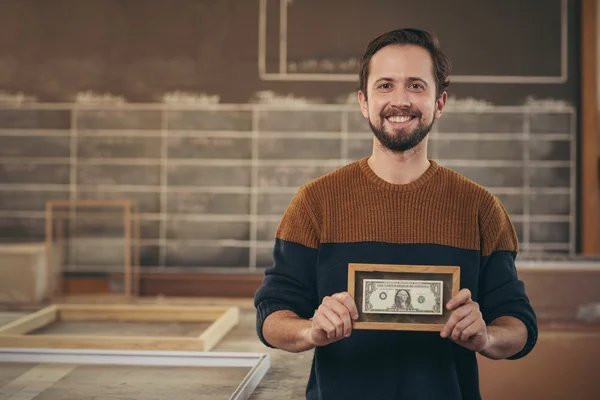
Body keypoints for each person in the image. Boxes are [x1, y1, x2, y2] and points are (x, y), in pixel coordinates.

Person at [254, 28, 537, 400]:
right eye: (385, 85)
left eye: (416, 86)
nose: (400, 100)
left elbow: (518, 326)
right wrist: (310, 330)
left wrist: (486, 335)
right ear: (363, 100)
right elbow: (273, 312)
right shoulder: (315, 202)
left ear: (440, 102)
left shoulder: (480, 208)